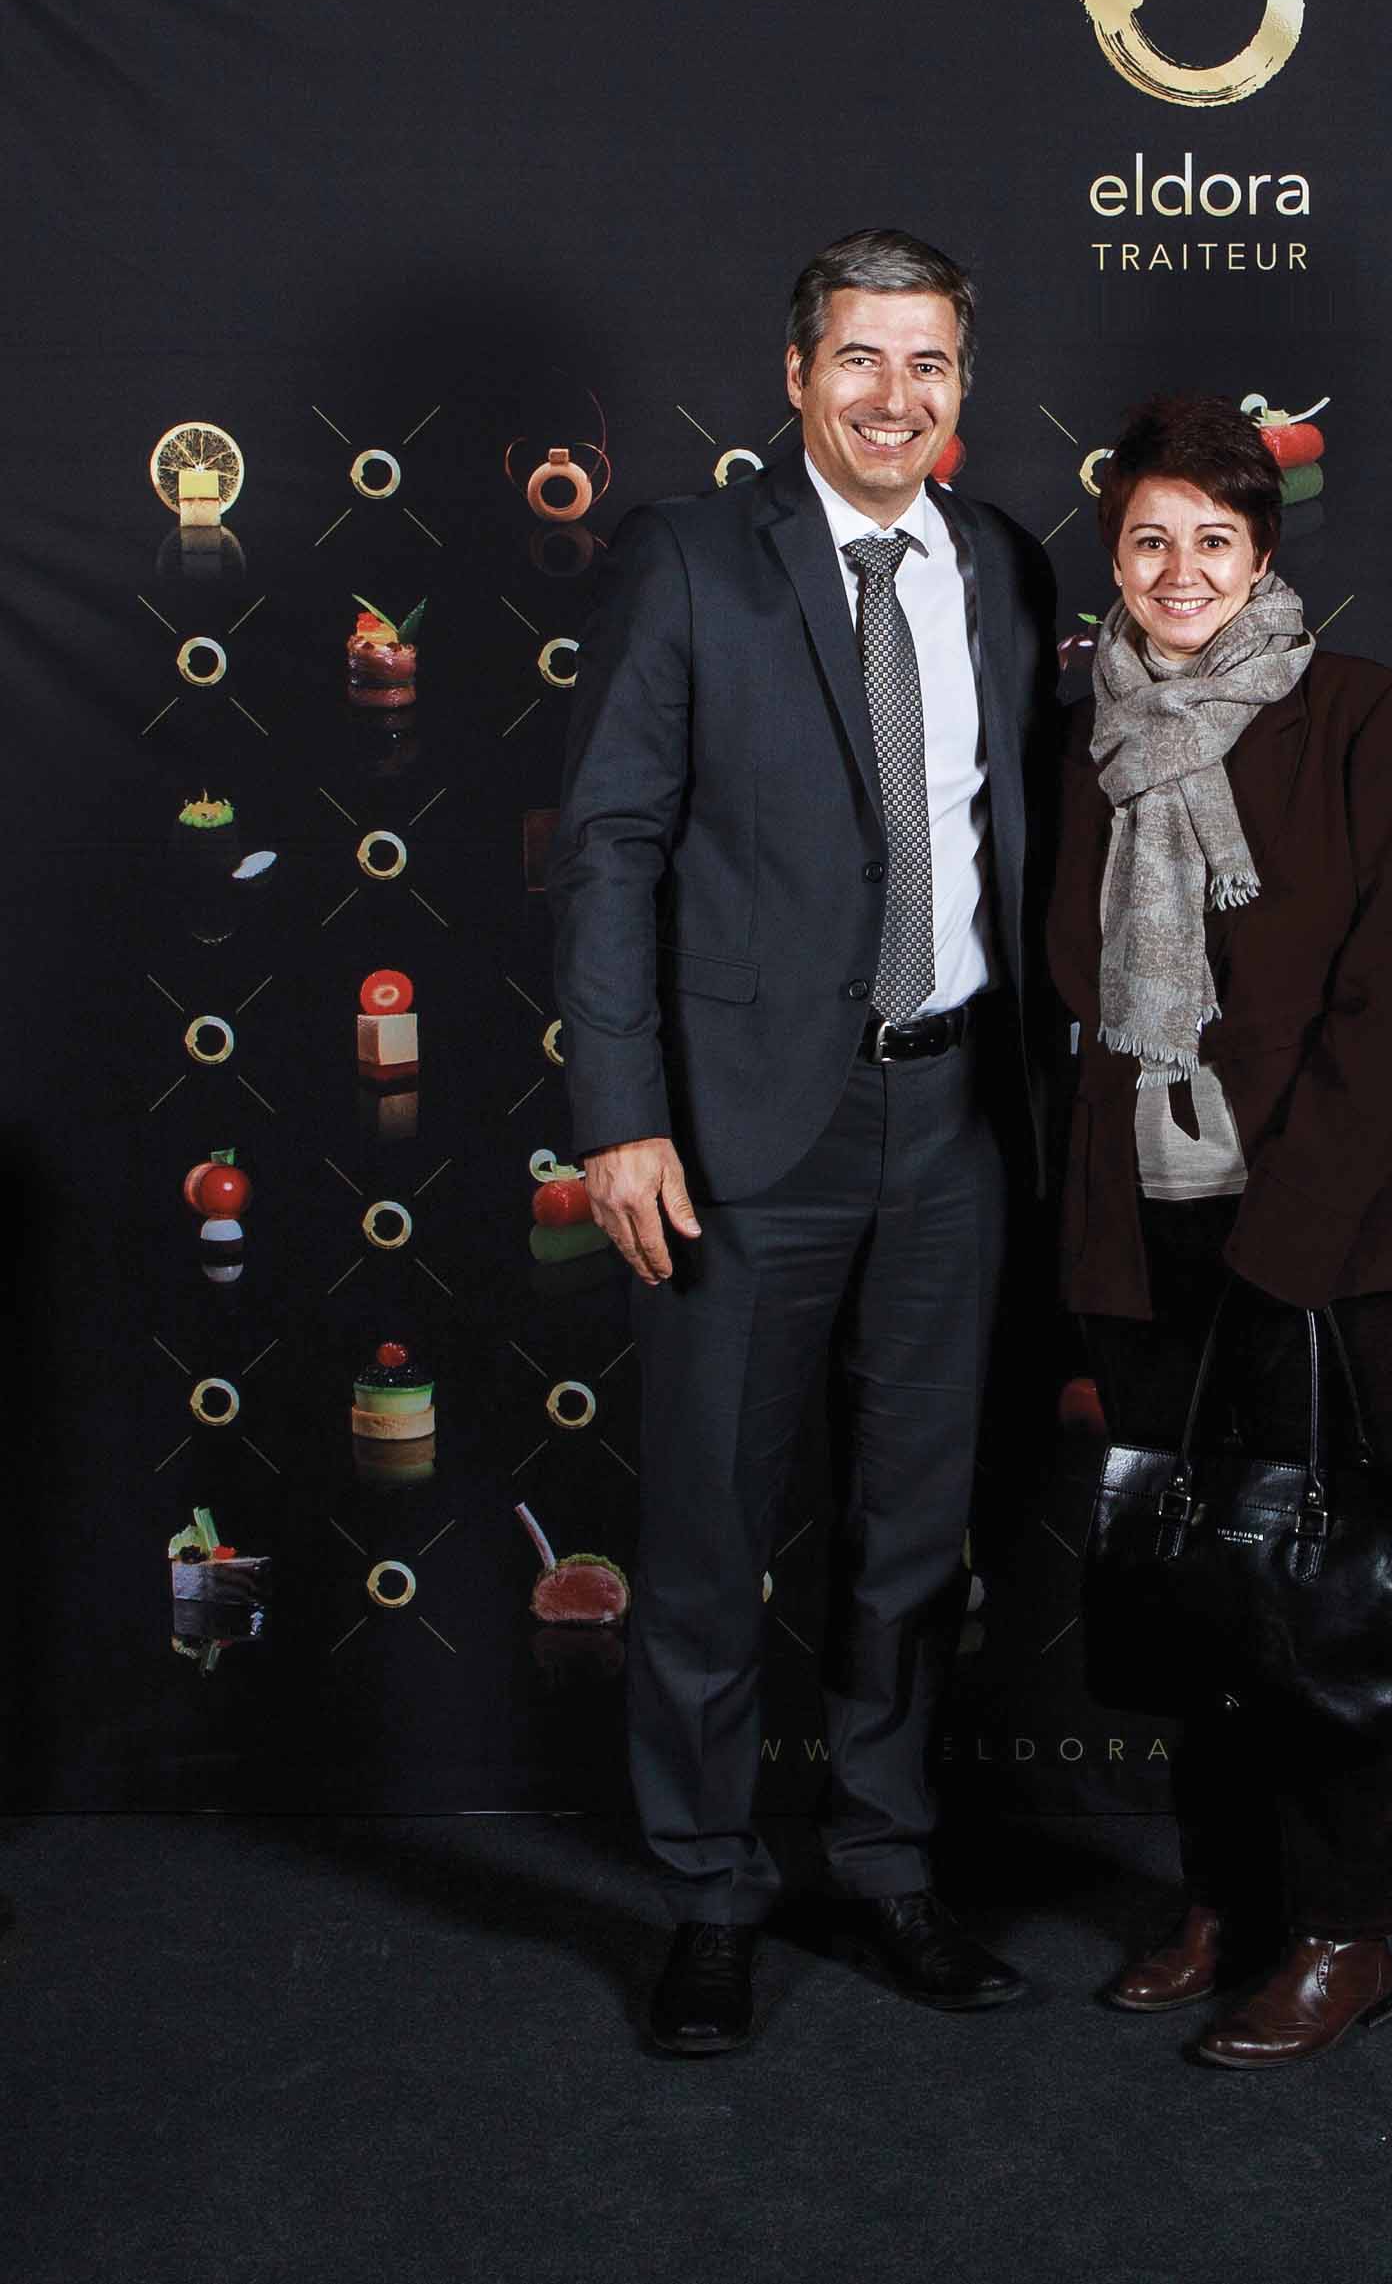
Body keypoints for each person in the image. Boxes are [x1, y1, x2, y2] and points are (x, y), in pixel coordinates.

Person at [550, 228, 1058, 2053]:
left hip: (957, 1115)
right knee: (708, 1535)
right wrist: (622, 1117)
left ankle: (888, 1863)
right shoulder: (690, 558)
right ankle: (708, 1894)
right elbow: (609, 843)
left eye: (928, 364)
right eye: (859, 357)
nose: (892, 397)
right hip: (745, 1128)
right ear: (793, 374)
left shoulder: (1003, 564)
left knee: (914, 1532)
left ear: (962, 387)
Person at [1048, 392, 1392, 2068]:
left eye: (1213, 541)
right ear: (1111, 558)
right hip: (1145, 1221)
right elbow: (1066, 987)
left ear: (1262, 557)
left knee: (1328, 1590)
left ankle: (1340, 1929)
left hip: (1344, 1231)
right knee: (1195, 1589)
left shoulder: (1355, 709)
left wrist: (1284, 1245)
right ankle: (1224, 1897)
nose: (1179, 571)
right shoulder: (1081, 732)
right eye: (1147, 540)